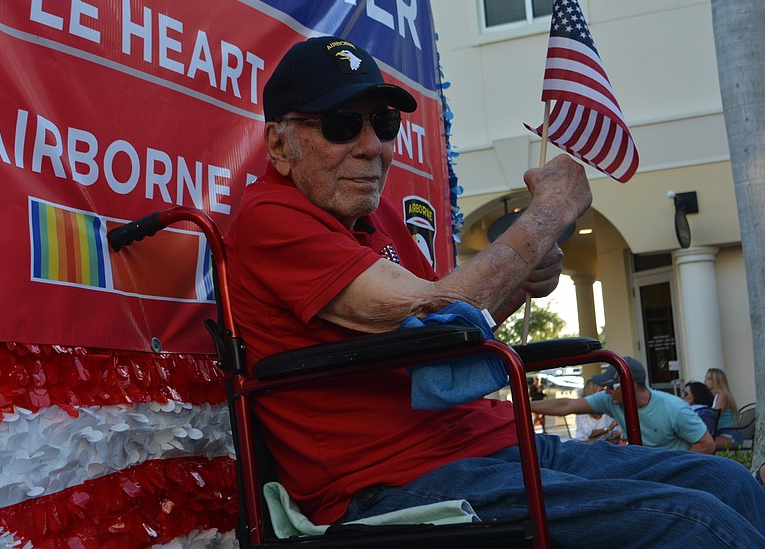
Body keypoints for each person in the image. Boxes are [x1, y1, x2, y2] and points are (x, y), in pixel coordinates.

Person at [225, 34, 765, 546]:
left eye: (384, 123)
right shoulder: (271, 215)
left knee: (728, 482)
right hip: (384, 481)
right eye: (343, 125)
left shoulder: (373, 213)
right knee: (695, 522)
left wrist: (516, 285)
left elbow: (440, 339)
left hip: (482, 442)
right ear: (279, 144)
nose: (373, 148)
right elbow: (430, 309)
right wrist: (550, 212)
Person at [532, 356, 716, 453]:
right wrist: (522, 406)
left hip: (669, 469)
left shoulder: (674, 408)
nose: (605, 391)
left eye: (610, 387)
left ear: (630, 385)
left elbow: (707, 445)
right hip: (642, 465)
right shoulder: (611, 399)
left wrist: (672, 467)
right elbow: (566, 406)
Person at [705, 367, 744, 450]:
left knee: (703, 444)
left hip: (731, 435)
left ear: (717, 381)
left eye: (708, 379)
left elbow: (715, 415)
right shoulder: (714, 397)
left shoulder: (722, 396)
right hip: (721, 433)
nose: (705, 381)